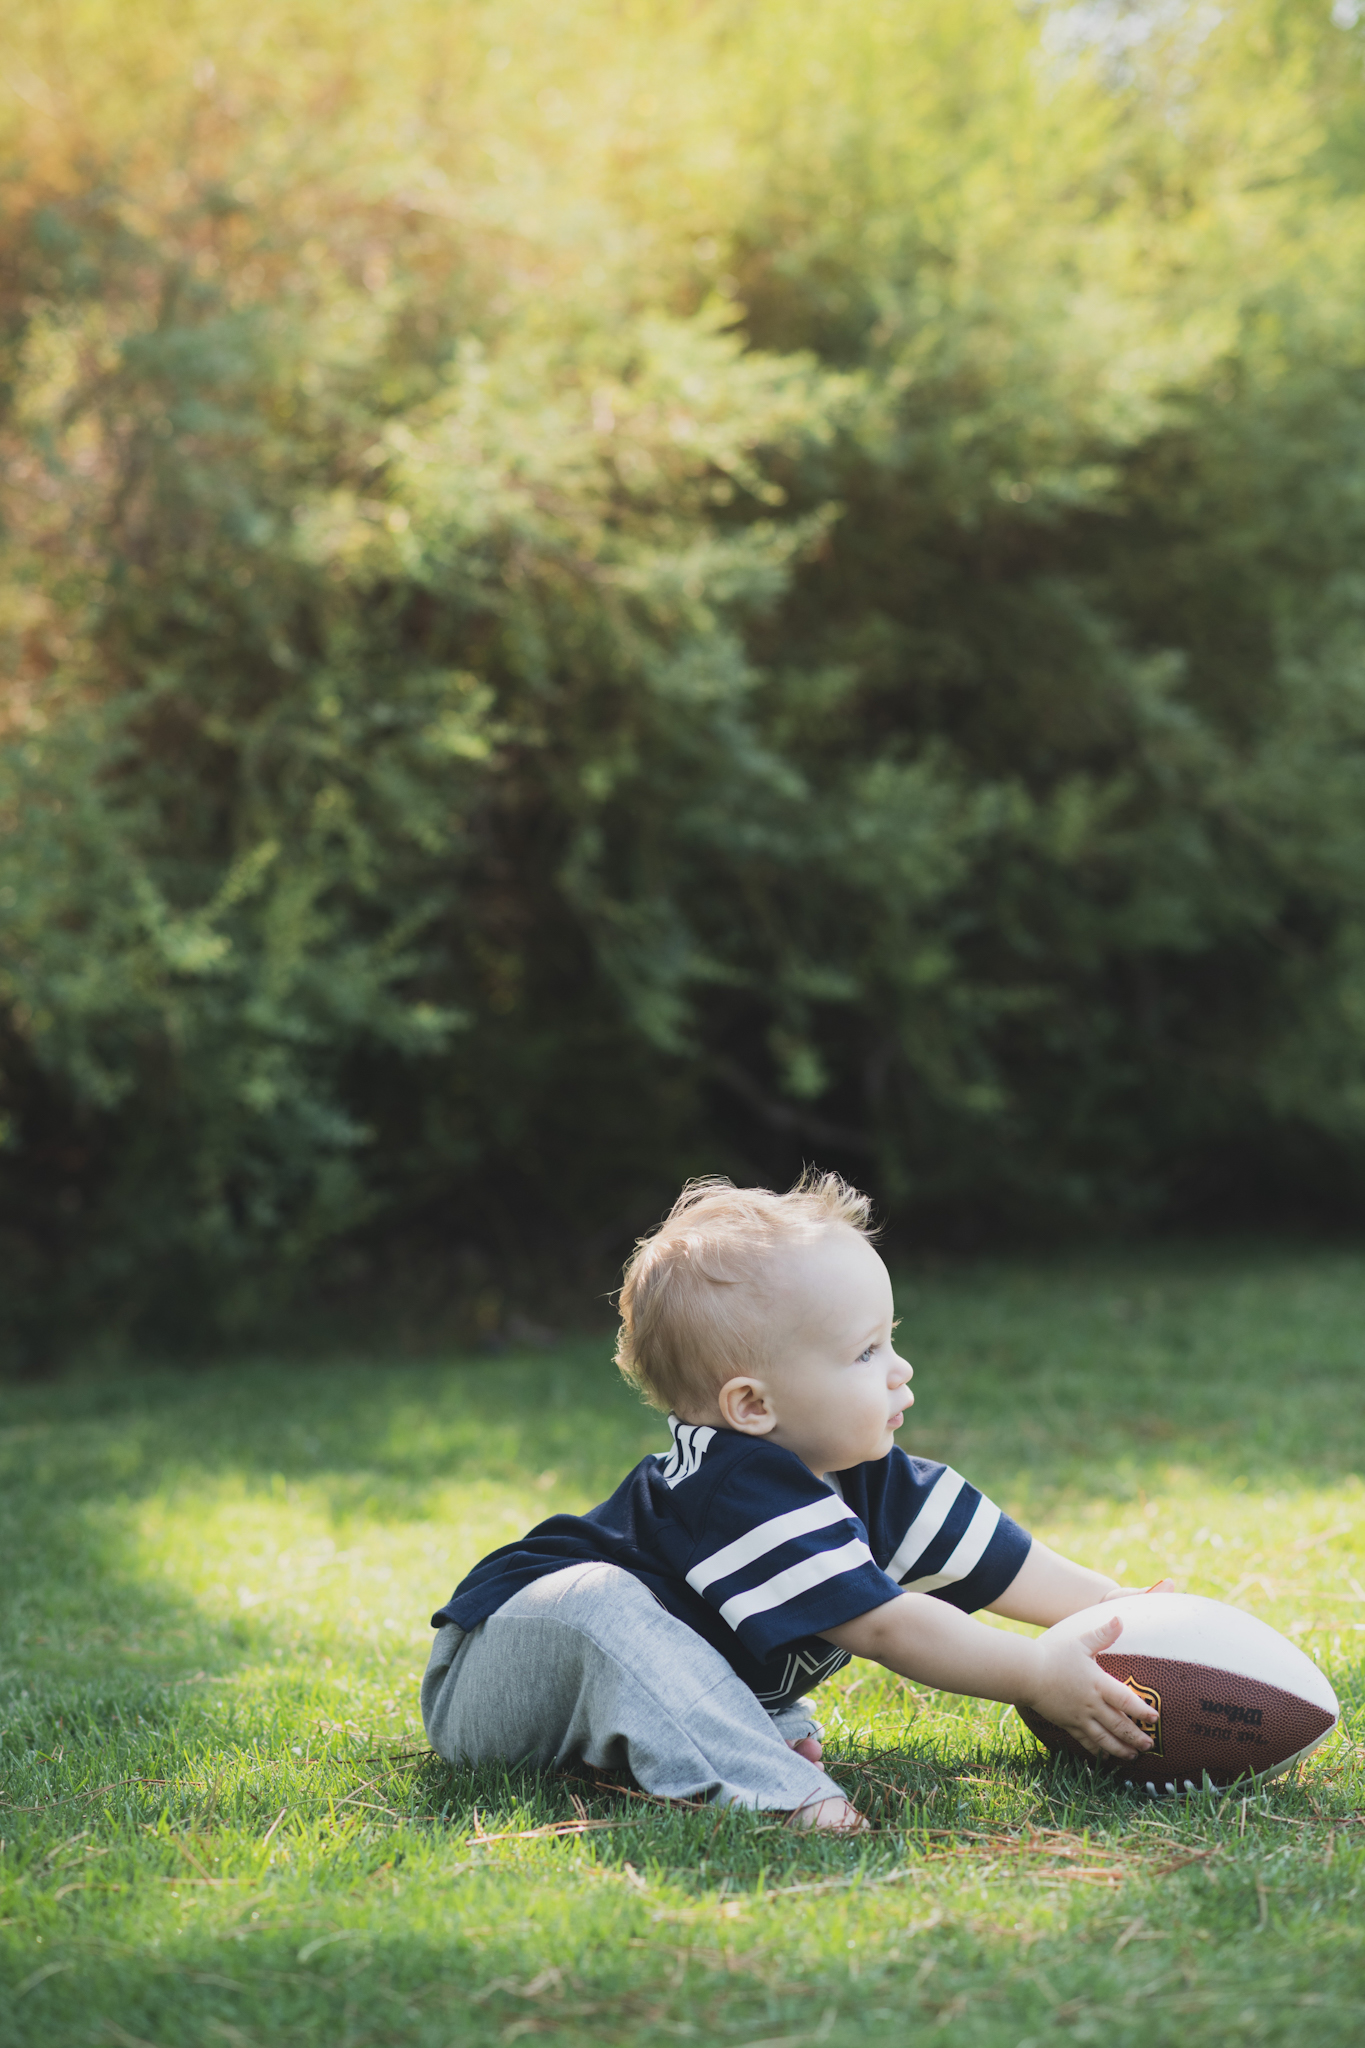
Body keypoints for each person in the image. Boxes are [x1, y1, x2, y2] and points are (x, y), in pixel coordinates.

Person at [422, 1173, 1165, 1829]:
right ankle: (770, 1788)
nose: (899, 1367)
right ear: (751, 1406)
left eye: (891, 1338)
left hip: (608, 1674)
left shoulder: (873, 1478)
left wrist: (1132, 1617)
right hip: (501, 1673)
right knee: (603, 1603)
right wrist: (1037, 1675)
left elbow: (1004, 1565)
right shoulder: (734, 1484)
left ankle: (737, 1722)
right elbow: (885, 1629)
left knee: (660, 1633)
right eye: (864, 1352)